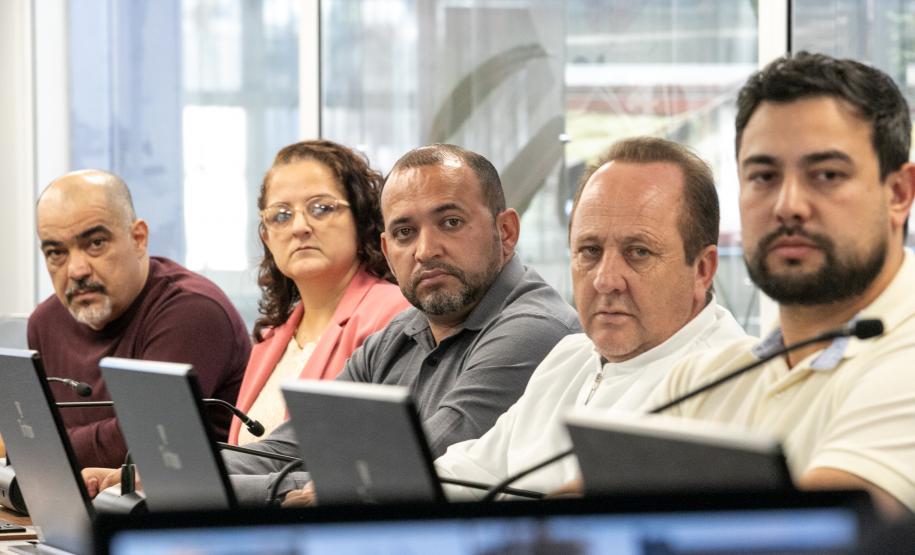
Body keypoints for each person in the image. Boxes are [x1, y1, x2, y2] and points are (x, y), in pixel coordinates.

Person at [227, 144, 581, 507]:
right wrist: (188, 469)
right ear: (386, 249)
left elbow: (403, 473)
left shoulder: (534, 330)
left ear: (505, 231)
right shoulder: (398, 334)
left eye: (451, 223)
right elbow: (288, 449)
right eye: (404, 233)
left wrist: (219, 487)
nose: (425, 250)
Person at [643, 52, 915, 517]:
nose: (789, 206)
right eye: (764, 176)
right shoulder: (701, 381)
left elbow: (820, 535)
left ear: (898, 194)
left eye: (826, 175)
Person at [434, 137, 747, 498]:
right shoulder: (571, 356)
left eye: (638, 252)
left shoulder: (731, 384)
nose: (605, 279)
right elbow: (470, 472)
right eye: (590, 251)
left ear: (703, 270)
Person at [28, 170, 251, 469]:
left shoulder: (193, 312)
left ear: (138, 238)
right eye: (57, 252)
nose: (76, 270)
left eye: (95, 243)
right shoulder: (46, 322)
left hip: (179, 510)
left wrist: (34, 445)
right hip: (83, 505)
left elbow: (146, 440)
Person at [230, 140, 410, 444]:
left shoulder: (394, 314)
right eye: (281, 215)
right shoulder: (270, 338)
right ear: (267, 236)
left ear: (362, 218)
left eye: (321, 208)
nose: (299, 226)